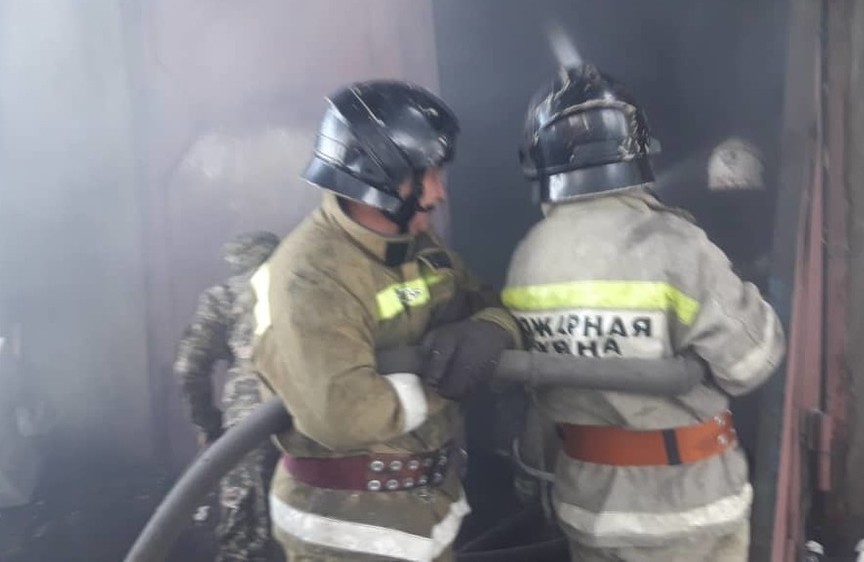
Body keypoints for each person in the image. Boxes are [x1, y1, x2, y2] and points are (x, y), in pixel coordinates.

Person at [503, 62, 786, 562]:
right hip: (688, 512)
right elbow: (751, 364)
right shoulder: (675, 245)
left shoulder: (527, 258)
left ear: (539, 159)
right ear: (640, 151)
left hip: (588, 509)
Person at [250, 80, 521, 562]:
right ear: (378, 175)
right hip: (347, 531)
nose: (438, 192)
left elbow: (487, 302)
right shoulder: (310, 274)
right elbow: (346, 414)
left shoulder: (419, 248)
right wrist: (450, 376)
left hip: (423, 511)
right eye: (426, 174)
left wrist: (492, 329)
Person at [174, 230, 281, 562]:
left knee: (244, 539)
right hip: (313, 420)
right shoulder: (309, 288)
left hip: (245, 430)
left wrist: (207, 425)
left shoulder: (224, 296)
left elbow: (188, 367)